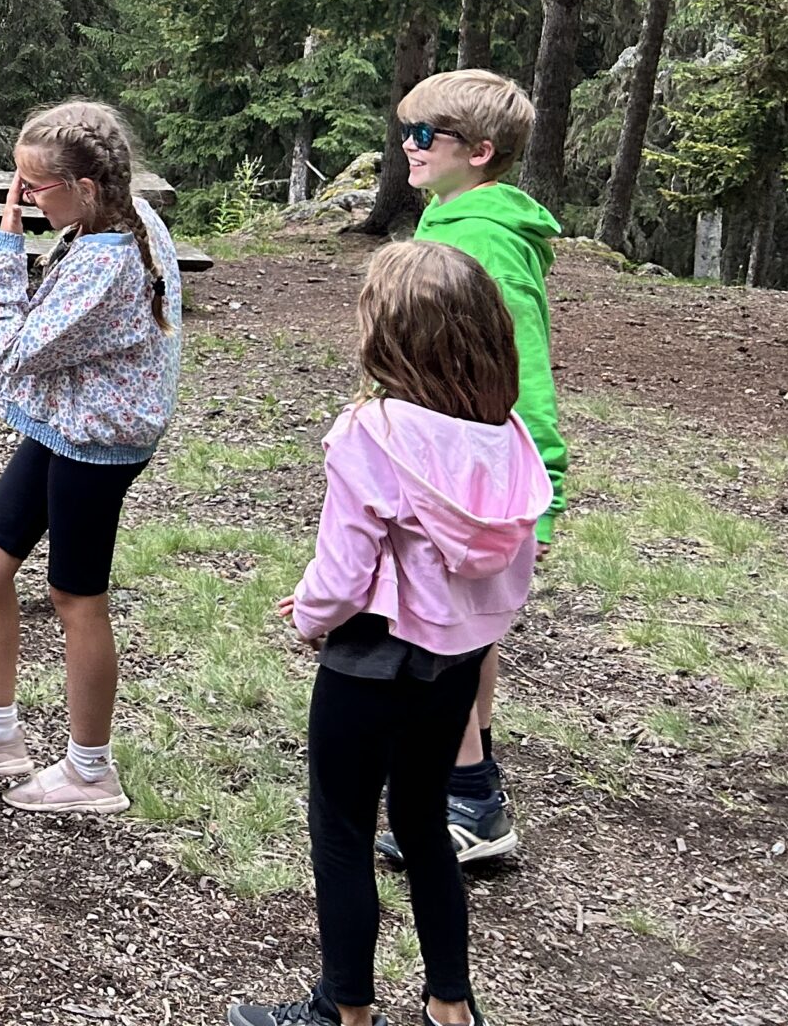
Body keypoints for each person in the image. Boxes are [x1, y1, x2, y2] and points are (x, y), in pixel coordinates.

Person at [226, 240, 549, 1026]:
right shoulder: (505, 434)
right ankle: (450, 1008)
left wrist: (309, 617)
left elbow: (343, 569)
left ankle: (344, 1011)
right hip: (456, 658)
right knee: (422, 822)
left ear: (388, 336)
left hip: (370, 661)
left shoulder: (371, 432)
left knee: (340, 827)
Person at [0, 100, 181, 814]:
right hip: (68, 424)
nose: (24, 198)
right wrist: (25, 211)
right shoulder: (107, 220)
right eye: (18, 185)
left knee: (75, 595)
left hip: (101, 443)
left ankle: (92, 772)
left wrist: (3, 248)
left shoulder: (109, 261)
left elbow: (14, 353)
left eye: (34, 186)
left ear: (86, 188)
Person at [377, 69, 566, 869]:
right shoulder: (453, 215)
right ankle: (460, 785)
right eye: (408, 132)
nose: (409, 148)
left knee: (435, 636)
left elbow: (523, 361)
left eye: (428, 137)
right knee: (466, 633)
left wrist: (542, 485)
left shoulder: (478, 237)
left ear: (481, 152)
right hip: (444, 462)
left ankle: (473, 802)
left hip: (461, 479)